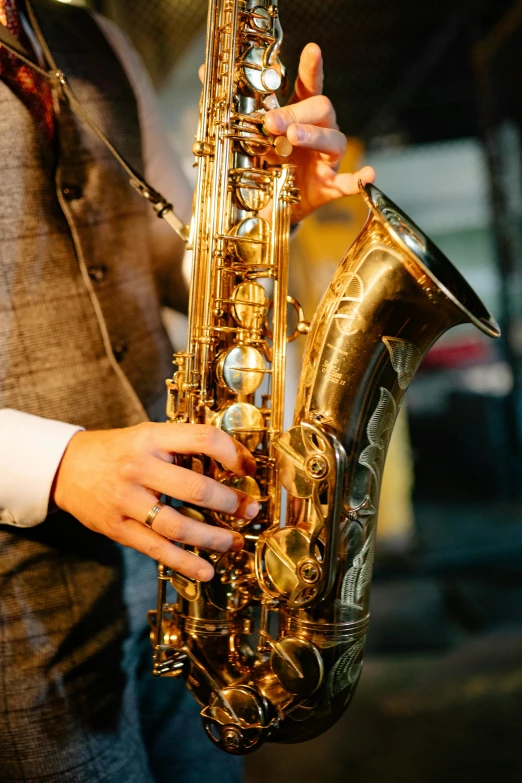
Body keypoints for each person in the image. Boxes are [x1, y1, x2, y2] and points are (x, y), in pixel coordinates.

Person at [0, 1, 375, 781]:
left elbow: (178, 259)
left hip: (185, 560)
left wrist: (274, 204)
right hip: (19, 611)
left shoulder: (91, 38)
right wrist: (61, 462)